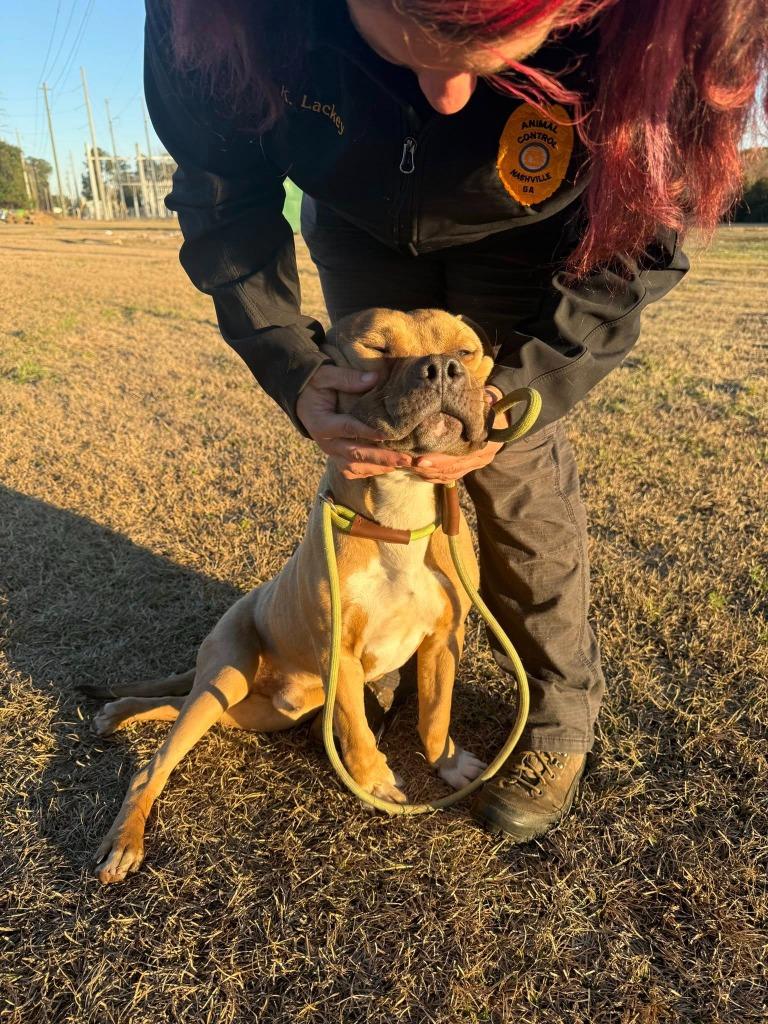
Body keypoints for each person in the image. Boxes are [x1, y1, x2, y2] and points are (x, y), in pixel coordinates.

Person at [143, 0, 766, 842]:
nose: (446, 95)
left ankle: (555, 722)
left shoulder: (668, 30)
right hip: (357, 208)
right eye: (411, 42)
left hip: (531, 228)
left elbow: (640, 247)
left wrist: (523, 390)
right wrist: (294, 365)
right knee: (378, 435)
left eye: (490, 52)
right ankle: (380, 636)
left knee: (511, 458)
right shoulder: (217, 17)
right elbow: (221, 194)